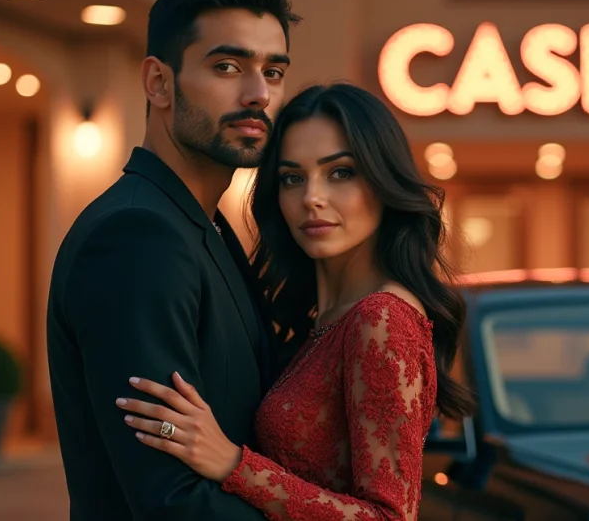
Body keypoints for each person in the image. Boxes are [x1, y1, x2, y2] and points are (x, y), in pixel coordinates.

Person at [115, 83, 477, 520]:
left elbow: (390, 517)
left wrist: (234, 464)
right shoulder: (323, 318)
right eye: (292, 177)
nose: (311, 198)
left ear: (382, 182)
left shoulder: (382, 319)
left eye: (340, 172)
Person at [45, 0, 300, 519]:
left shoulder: (204, 226)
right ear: (159, 83)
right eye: (227, 67)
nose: (259, 93)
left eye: (273, 71)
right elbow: (171, 498)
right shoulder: (138, 238)